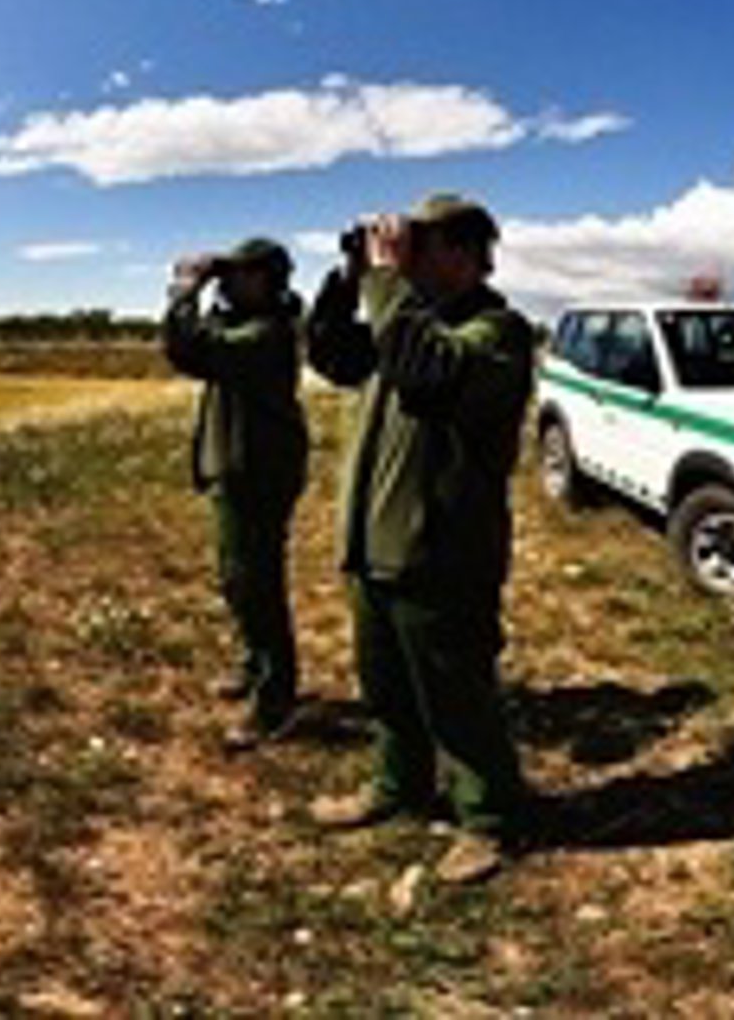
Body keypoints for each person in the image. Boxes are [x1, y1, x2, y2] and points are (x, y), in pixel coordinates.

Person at [304, 194, 537, 867]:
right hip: (376, 545)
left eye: (418, 246)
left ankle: (490, 817)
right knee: (386, 689)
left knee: (457, 695)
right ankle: (398, 785)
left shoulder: (497, 333)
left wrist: (386, 282)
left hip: (442, 552)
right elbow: (331, 354)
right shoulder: (404, 322)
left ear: (464, 255)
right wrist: (351, 279)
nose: (402, 259)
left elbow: (425, 372)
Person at [163, 237, 310, 751]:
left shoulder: (267, 333)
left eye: (241, 273)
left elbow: (188, 349)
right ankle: (255, 666)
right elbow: (200, 340)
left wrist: (186, 290)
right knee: (237, 579)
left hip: (258, 475)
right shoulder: (245, 323)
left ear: (268, 280)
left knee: (257, 586)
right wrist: (210, 294)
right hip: (241, 471)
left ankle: (275, 702)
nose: (227, 280)